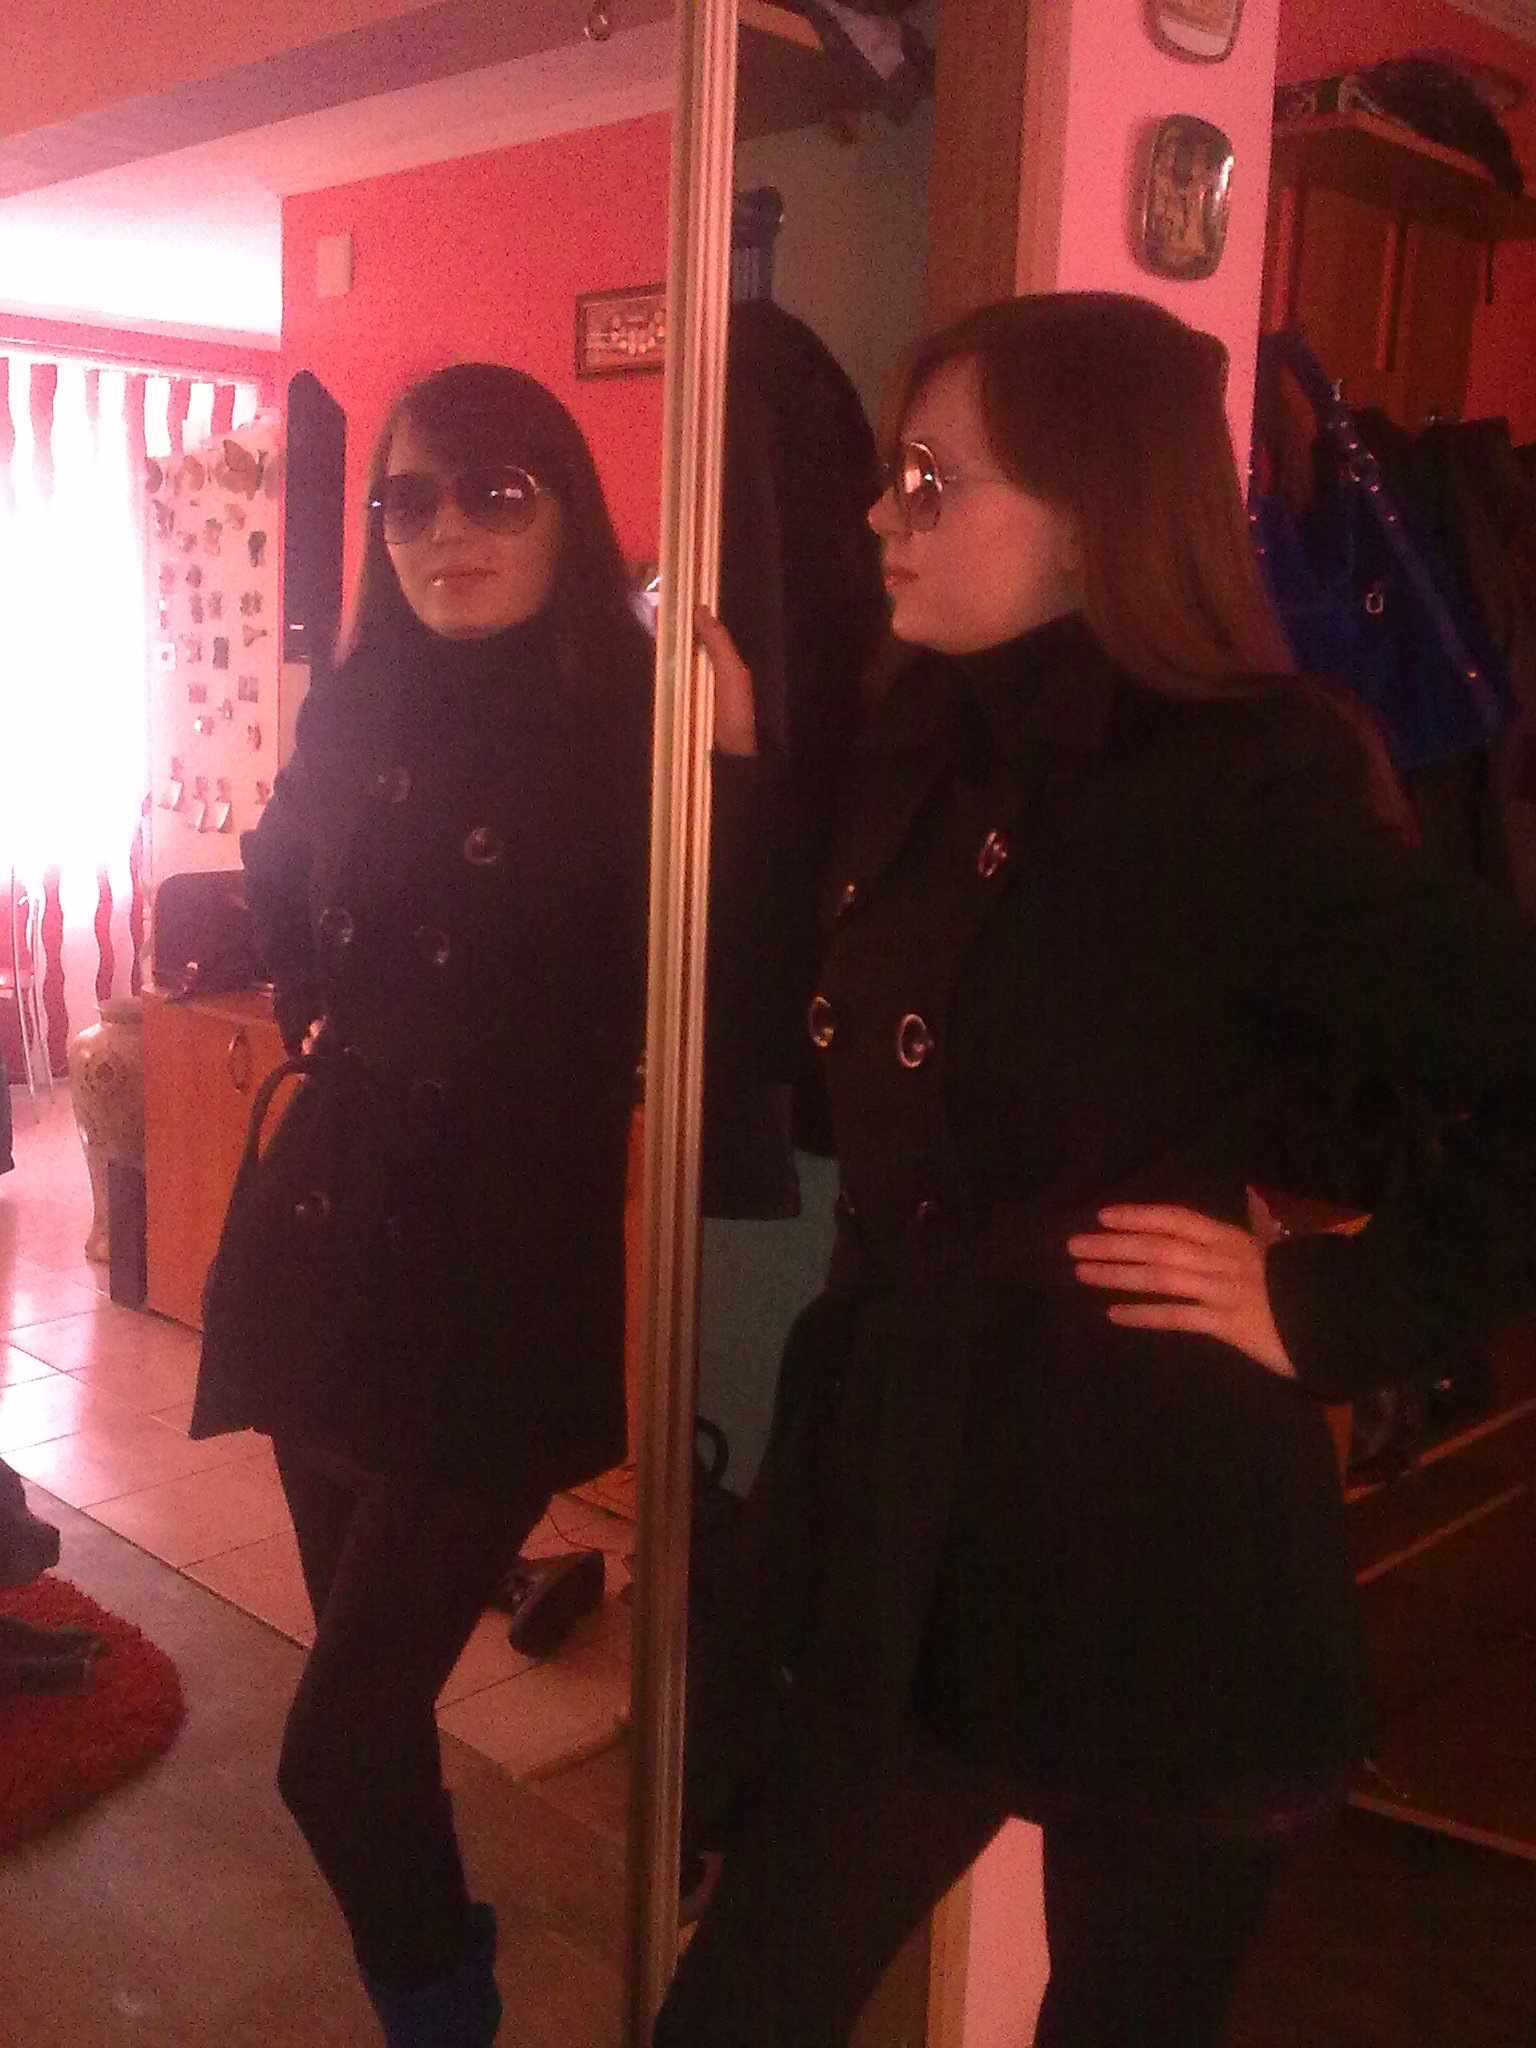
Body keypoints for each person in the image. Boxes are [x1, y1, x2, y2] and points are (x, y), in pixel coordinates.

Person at [662, 292, 1536, 2048]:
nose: (878, 515)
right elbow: (822, 1082)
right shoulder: (915, 738)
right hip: (912, 1516)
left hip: (1167, 1544)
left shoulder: (1246, 783)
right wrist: (743, 781)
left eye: (929, 480)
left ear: (1089, 515)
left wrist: (1337, 1305)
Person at [188, 363, 664, 2048]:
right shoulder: (356, 704)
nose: (444, 530)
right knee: (373, 1726)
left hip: (498, 1271)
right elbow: (277, 871)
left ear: (564, 509)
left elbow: (706, 972)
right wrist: (325, 1022)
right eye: (407, 499)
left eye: (494, 492)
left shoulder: (639, 720)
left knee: (329, 1750)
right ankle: (444, 1998)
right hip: (331, 1234)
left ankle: (445, 2010)